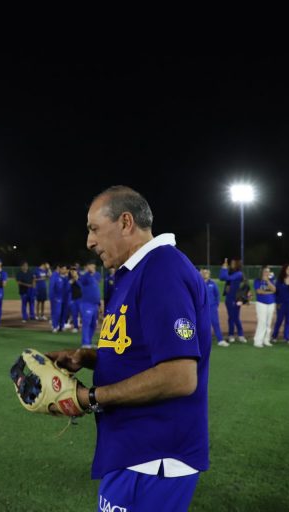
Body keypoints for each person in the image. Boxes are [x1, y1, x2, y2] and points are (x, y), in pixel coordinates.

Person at [46, 186, 210, 511]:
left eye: (94, 229)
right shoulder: (136, 272)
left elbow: (179, 376)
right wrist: (87, 357)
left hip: (153, 455)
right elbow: (138, 353)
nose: (89, 242)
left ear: (125, 222)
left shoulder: (162, 269)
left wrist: (90, 398)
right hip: (134, 448)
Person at [219, 258, 247, 343]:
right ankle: (231, 335)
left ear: (237, 264)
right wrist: (224, 268)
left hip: (237, 298)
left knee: (235, 317)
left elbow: (227, 278)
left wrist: (224, 269)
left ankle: (240, 335)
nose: (231, 264)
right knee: (231, 317)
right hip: (229, 298)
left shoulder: (239, 273)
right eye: (231, 263)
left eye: (233, 263)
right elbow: (221, 278)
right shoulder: (231, 272)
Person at [78, 261, 102, 348]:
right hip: (86, 304)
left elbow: (96, 290)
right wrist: (88, 272)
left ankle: (89, 341)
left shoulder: (95, 276)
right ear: (87, 266)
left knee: (93, 324)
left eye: (94, 267)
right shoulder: (84, 276)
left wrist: (99, 304)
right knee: (86, 323)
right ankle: (85, 343)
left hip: (95, 304)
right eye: (91, 266)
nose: (93, 268)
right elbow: (81, 280)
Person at [271, 264, 289, 344]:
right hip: (282, 304)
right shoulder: (279, 281)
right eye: (288, 269)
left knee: (288, 321)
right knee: (279, 320)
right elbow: (276, 292)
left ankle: (287, 337)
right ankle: (274, 336)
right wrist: (278, 302)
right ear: (284, 270)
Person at [202, 269, 227, 347]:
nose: (205, 274)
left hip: (212, 307)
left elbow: (217, 295)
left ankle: (220, 340)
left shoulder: (213, 283)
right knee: (204, 325)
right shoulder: (199, 283)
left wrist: (216, 304)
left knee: (215, 323)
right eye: (204, 272)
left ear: (209, 274)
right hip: (202, 308)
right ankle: (204, 341)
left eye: (207, 272)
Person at [253, 266, 276, 348]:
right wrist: (270, 292)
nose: (267, 273)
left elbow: (274, 290)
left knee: (268, 323)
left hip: (271, 303)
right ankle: (258, 341)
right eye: (265, 271)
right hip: (261, 303)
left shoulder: (271, 280)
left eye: (268, 271)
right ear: (262, 272)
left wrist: (267, 281)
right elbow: (259, 291)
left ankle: (266, 340)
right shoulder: (257, 280)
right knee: (262, 322)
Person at [49, 264, 68, 333]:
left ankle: (61, 326)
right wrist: (52, 297)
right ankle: (54, 326)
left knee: (64, 312)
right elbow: (51, 287)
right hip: (57, 298)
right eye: (63, 269)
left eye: (65, 269)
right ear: (59, 269)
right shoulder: (55, 276)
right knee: (57, 312)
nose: (64, 270)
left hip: (65, 298)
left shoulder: (65, 277)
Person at [66, 266, 83, 332]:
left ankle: (85, 327)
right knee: (74, 314)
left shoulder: (81, 278)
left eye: (74, 271)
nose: (73, 272)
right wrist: (71, 282)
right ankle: (76, 327)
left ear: (77, 272)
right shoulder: (69, 279)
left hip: (81, 299)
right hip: (73, 299)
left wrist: (76, 280)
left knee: (82, 313)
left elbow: (82, 287)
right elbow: (67, 289)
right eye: (71, 271)